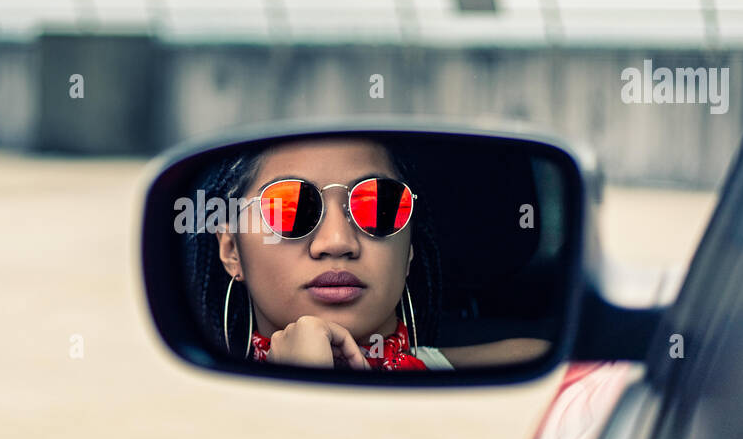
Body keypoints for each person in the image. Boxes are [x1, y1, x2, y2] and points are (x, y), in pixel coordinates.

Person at [186, 135, 549, 371]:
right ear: (232, 249)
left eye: (378, 206)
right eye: (289, 208)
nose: (337, 242)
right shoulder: (210, 409)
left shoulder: (533, 368)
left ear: (408, 251)